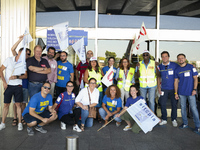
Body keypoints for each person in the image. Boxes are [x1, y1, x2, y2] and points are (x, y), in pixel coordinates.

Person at [0, 48, 28, 131]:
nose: (23, 55)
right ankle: (3, 123)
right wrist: (4, 82)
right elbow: (1, 70)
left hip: (18, 85)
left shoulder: (23, 63)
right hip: (8, 85)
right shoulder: (9, 60)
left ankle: (20, 123)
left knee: (18, 105)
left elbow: (25, 76)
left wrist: (17, 77)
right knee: (6, 105)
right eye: (22, 53)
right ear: (18, 52)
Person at [174, 53, 200, 133]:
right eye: (179, 58)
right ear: (177, 60)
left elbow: (195, 78)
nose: (180, 59)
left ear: (185, 59)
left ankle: (198, 126)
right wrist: (176, 93)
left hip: (191, 92)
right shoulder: (177, 69)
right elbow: (176, 81)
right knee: (183, 109)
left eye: (182, 58)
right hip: (181, 93)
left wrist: (194, 89)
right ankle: (185, 123)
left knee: (193, 108)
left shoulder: (191, 67)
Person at [10, 35, 31, 126]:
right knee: (15, 103)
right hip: (16, 84)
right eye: (25, 53)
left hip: (25, 84)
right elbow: (12, 49)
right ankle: (15, 118)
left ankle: (22, 117)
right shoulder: (17, 59)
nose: (27, 55)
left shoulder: (29, 61)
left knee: (23, 103)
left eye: (28, 54)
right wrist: (20, 40)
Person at [158, 51, 179, 127]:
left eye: (166, 56)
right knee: (163, 104)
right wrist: (158, 88)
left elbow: (183, 67)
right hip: (164, 89)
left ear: (169, 57)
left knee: (174, 104)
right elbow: (158, 77)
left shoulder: (175, 65)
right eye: (163, 56)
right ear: (161, 58)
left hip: (174, 89)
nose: (164, 58)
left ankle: (174, 119)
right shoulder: (160, 66)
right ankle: (164, 119)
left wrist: (192, 66)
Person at [84, 57, 104, 122]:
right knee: (91, 102)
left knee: (98, 103)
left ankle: (98, 116)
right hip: (91, 89)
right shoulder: (87, 70)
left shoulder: (99, 69)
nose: (93, 63)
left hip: (99, 89)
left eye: (94, 62)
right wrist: (93, 84)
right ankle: (91, 116)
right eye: (92, 62)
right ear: (90, 63)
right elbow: (85, 79)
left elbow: (103, 77)